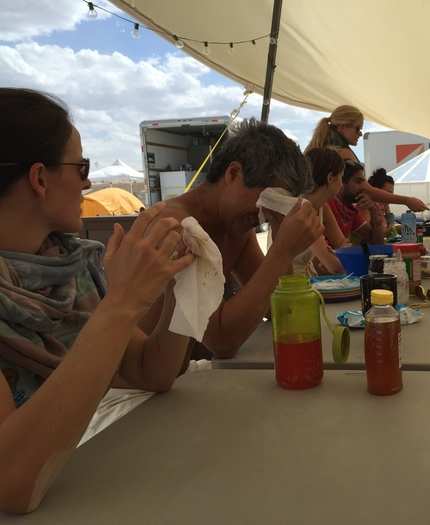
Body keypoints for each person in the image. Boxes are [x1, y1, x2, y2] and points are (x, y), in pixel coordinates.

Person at [0, 88, 194, 513]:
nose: (88, 182)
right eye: (80, 166)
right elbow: (12, 483)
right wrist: (123, 303)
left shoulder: (72, 268)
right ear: (39, 179)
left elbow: (151, 371)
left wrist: (183, 284)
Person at [149, 120, 324, 358]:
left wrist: (282, 229)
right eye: (268, 200)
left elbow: (281, 308)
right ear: (233, 174)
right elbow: (221, 340)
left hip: (192, 377)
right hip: (142, 390)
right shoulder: (177, 226)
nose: (262, 216)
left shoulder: (236, 229)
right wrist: (282, 251)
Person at [305, 105, 428, 212]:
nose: (360, 133)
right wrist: (406, 200)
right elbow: (365, 188)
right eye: (357, 128)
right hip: (335, 215)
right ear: (342, 126)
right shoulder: (343, 153)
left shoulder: (320, 150)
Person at [326, 160, 386, 245]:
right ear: (342, 182)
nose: (363, 187)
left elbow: (376, 245)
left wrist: (374, 212)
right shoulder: (328, 204)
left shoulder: (349, 209)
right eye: (358, 182)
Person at [368, 168, 396, 232]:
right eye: (387, 194)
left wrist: (388, 213)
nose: (390, 198)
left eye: (391, 194)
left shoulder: (381, 212)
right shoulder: (367, 212)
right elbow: (382, 233)